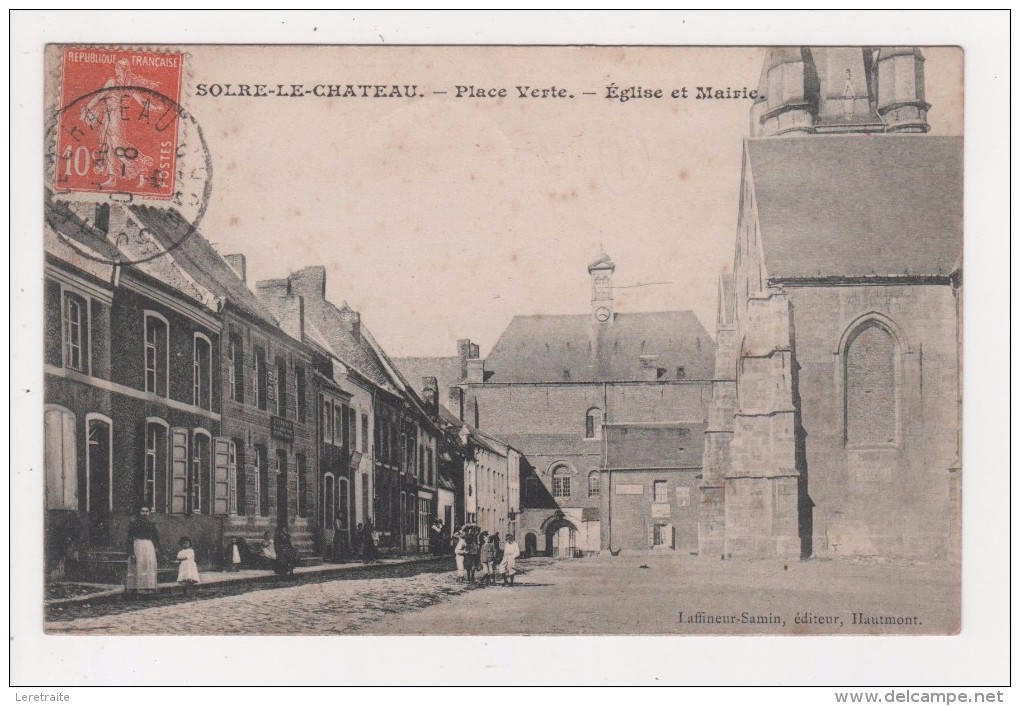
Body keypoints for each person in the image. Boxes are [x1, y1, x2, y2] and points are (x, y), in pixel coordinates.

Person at [125, 506, 159, 596]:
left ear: (149, 513)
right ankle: (135, 588)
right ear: (139, 513)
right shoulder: (134, 524)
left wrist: (157, 548)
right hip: (138, 546)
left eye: (147, 511)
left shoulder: (152, 524)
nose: (145, 513)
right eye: (142, 511)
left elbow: (156, 538)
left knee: (148, 565)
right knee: (137, 565)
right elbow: (129, 539)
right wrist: (131, 552)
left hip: (148, 547)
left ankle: (148, 588)